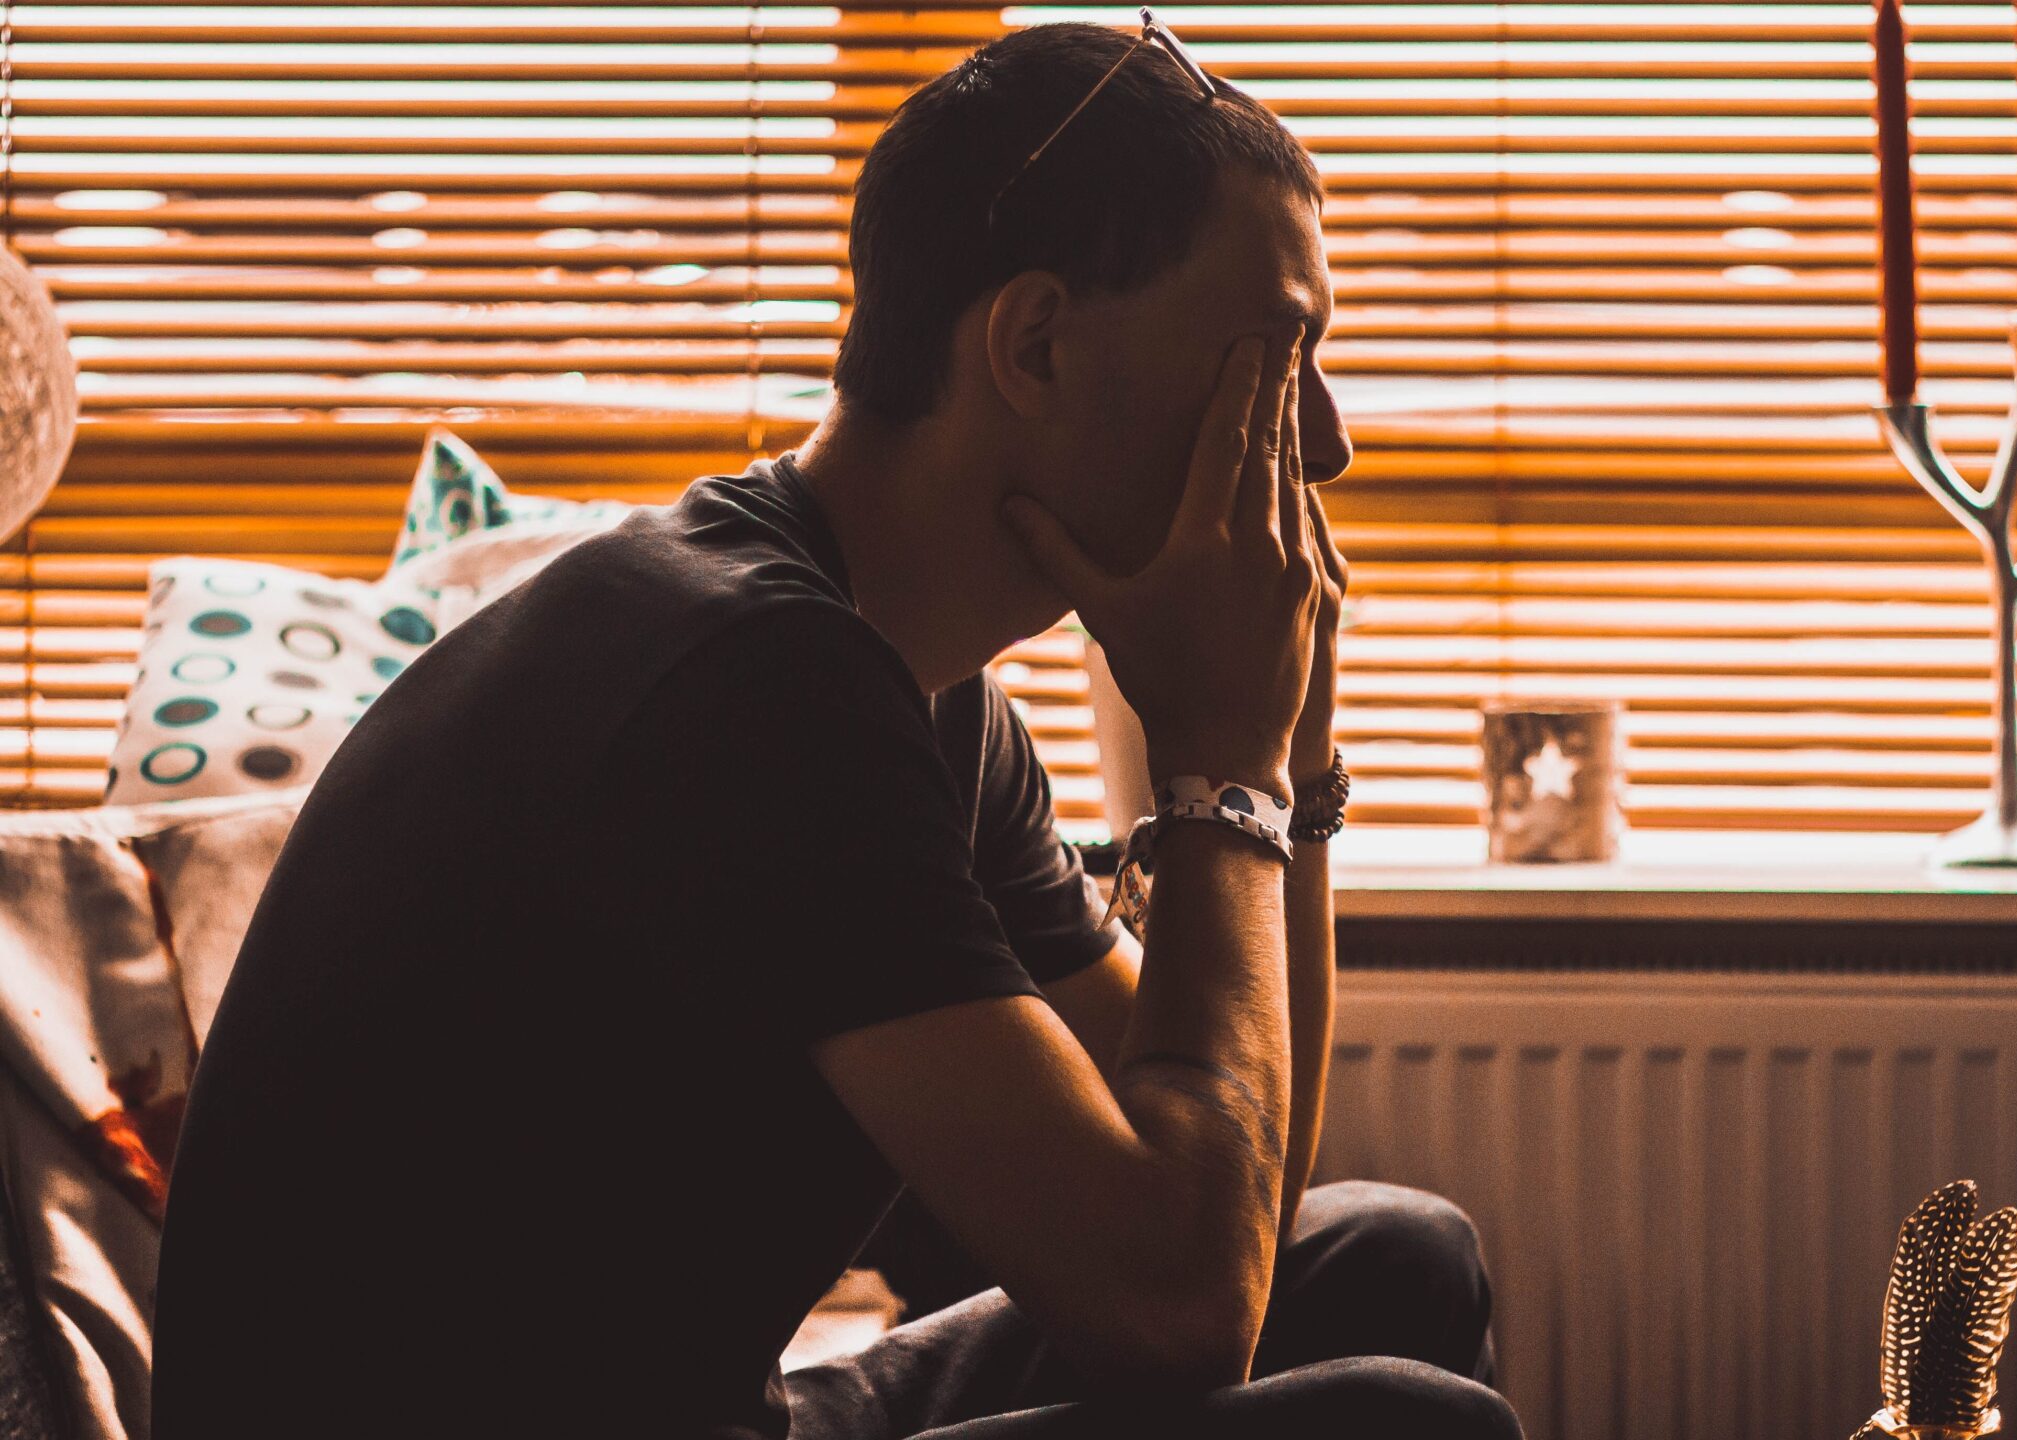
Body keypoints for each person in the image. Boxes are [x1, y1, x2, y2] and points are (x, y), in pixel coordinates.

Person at [152, 19, 1519, 1440]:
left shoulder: (914, 692)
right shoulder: (750, 679)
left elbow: (1231, 1190)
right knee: (1410, 1421)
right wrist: (1223, 768)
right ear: (1034, 344)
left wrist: (1289, 768)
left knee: (1393, 1257)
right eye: (1275, 354)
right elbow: (1181, 1304)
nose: (1327, 439)